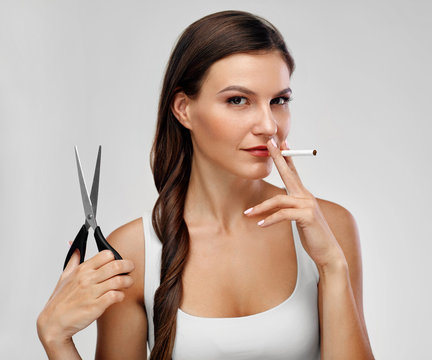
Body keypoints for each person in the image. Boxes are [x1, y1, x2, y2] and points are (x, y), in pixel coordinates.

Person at [36, 10, 374, 359]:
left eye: (279, 101)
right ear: (183, 109)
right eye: (238, 100)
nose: (269, 125)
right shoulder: (133, 253)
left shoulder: (330, 227)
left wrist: (332, 265)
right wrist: (56, 341)